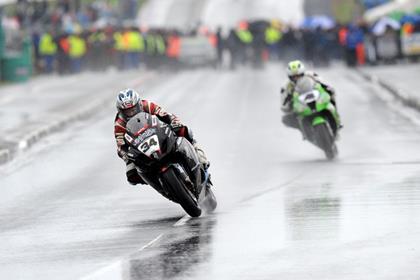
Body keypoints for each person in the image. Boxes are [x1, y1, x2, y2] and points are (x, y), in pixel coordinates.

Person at [114, 88, 210, 185]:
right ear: (120, 111)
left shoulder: (147, 105)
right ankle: (157, 183)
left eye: (133, 109)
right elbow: (120, 146)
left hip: (159, 134)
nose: (131, 113)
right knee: (131, 175)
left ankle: (200, 156)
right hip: (141, 148)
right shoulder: (119, 124)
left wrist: (174, 122)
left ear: (138, 105)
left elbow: (166, 115)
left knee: (183, 130)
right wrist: (126, 155)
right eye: (127, 111)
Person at [280, 60, 338, 129]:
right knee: (286, 119)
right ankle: (303, 129)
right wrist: (288, 104)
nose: (296, 79)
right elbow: (283, 101)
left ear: (302, 73)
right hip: (301, 104)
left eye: (298, 76)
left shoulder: (311, 75)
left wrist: (327, 88)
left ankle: (336, 118)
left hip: (315, 97)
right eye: (293, 77)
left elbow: (322, 81)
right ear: (290, 77)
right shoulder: (287, 86)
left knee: (331, 97)